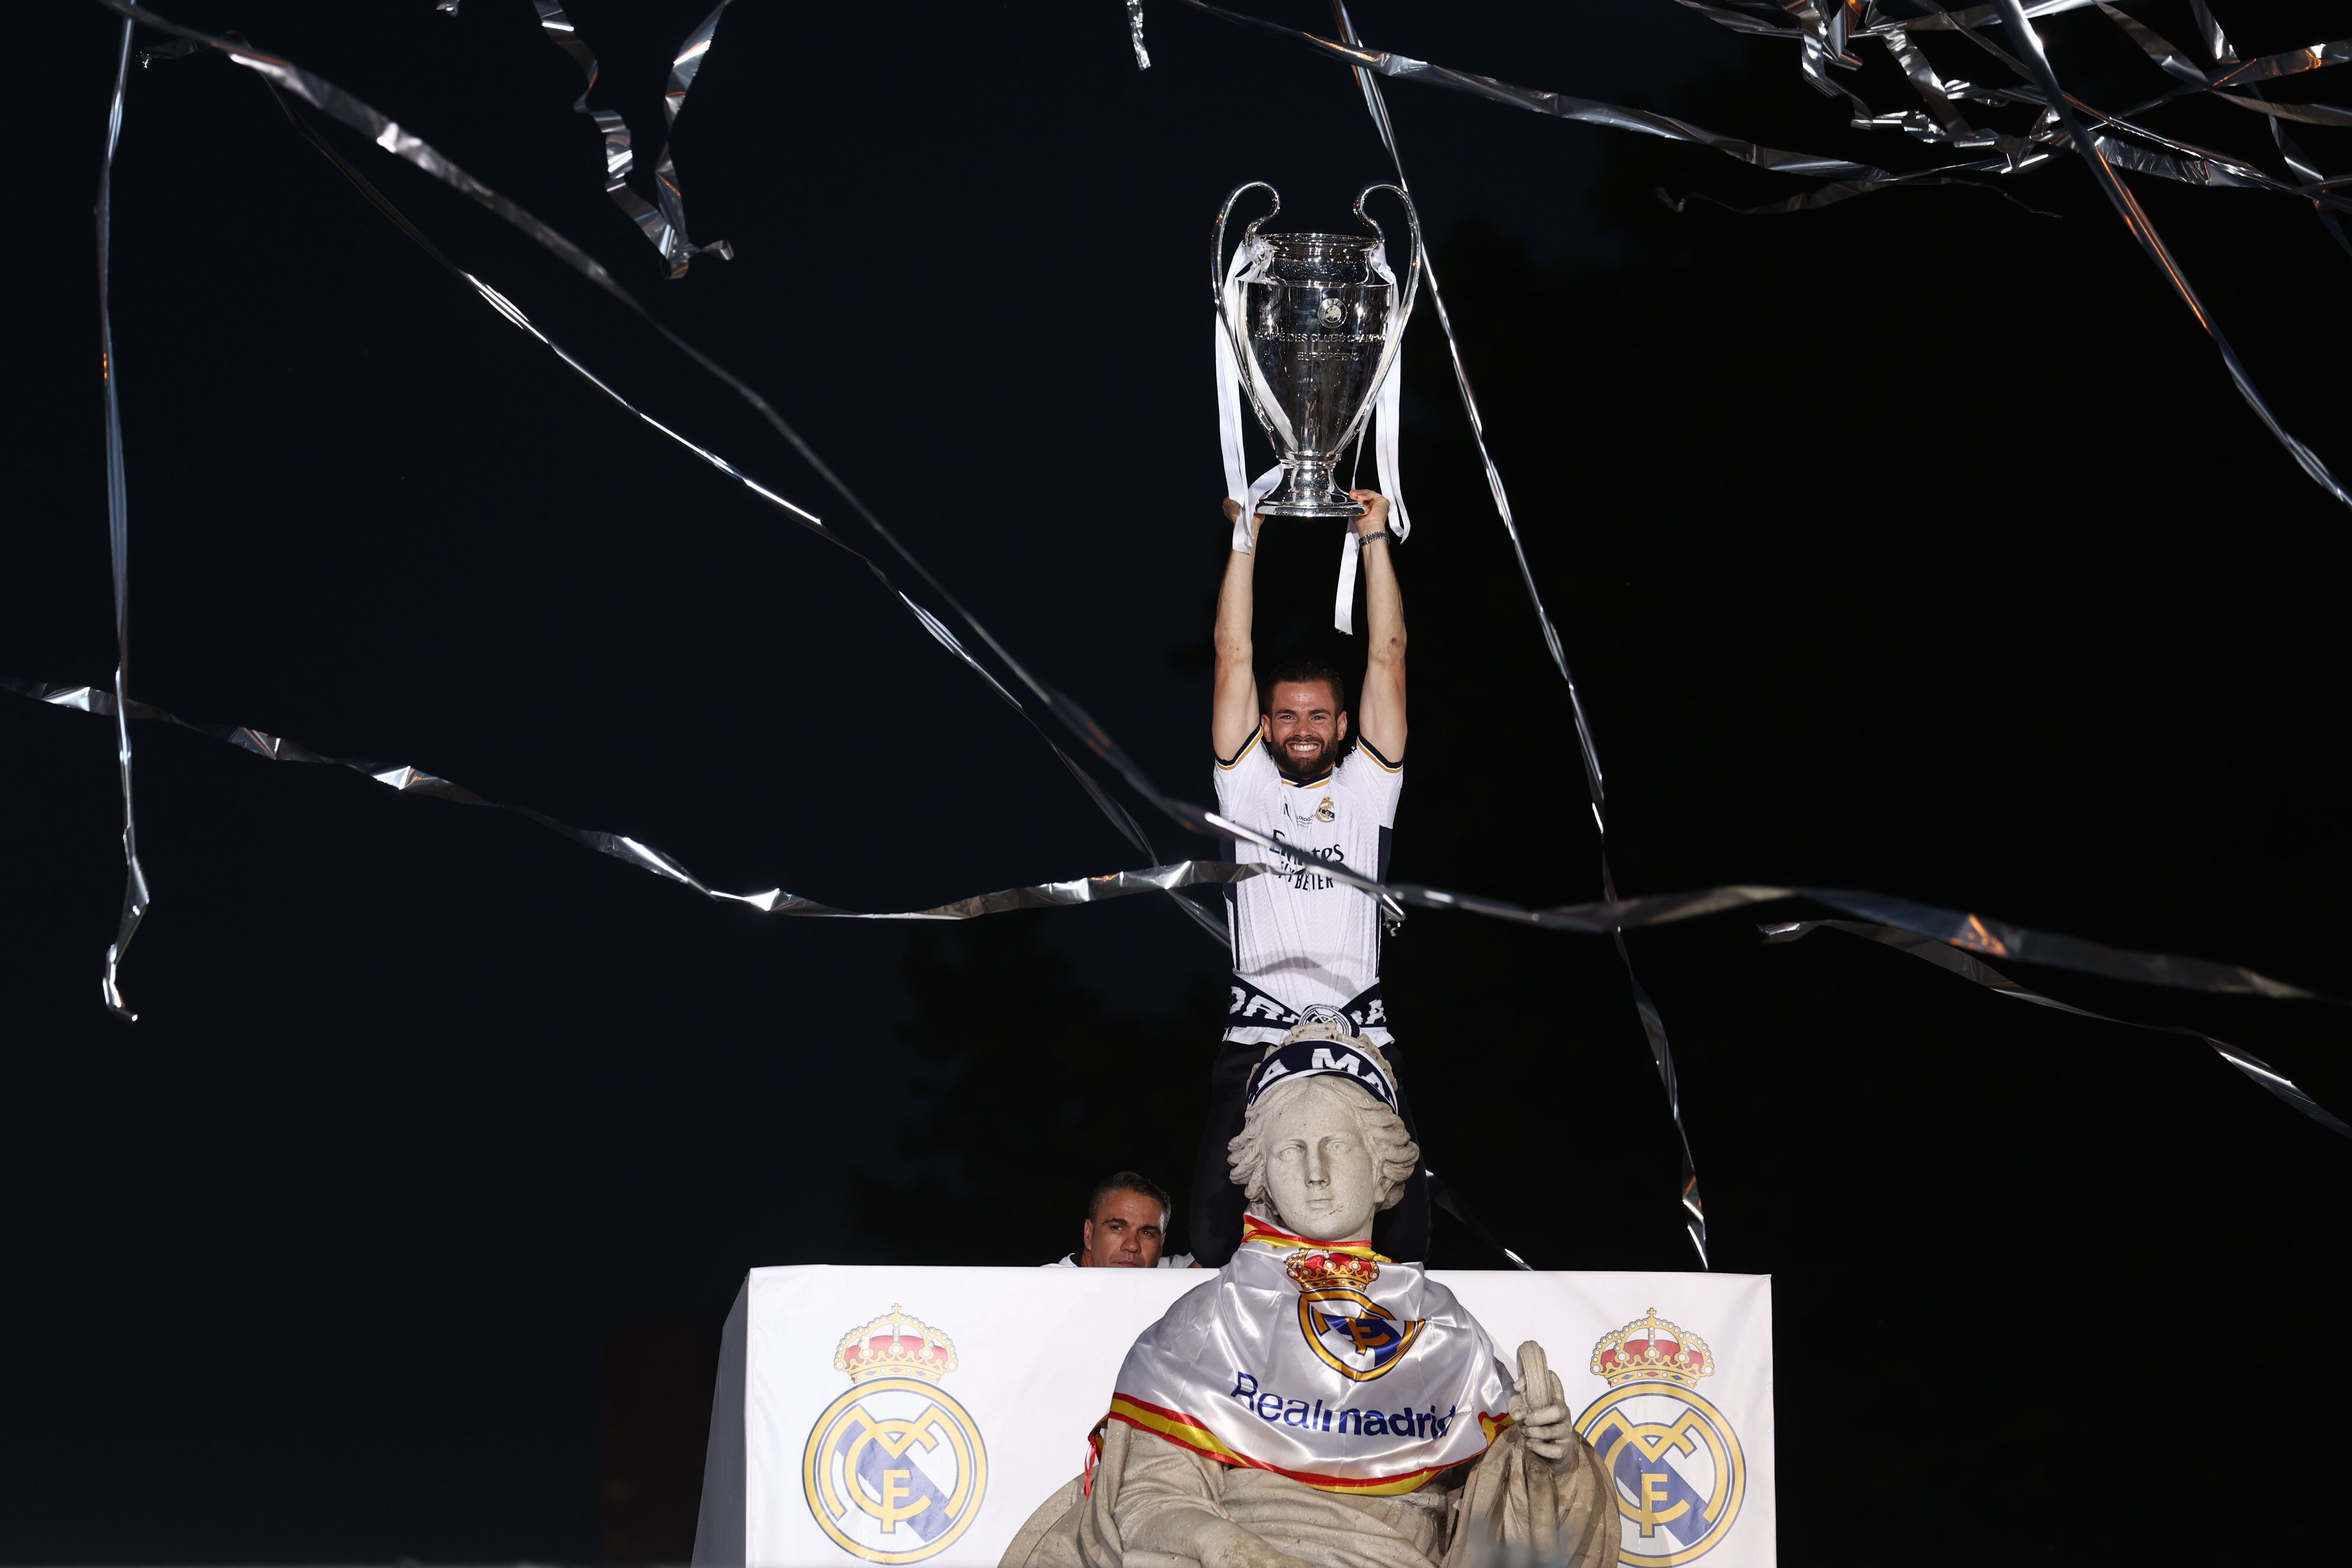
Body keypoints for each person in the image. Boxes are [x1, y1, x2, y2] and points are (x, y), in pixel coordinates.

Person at [999, 1025, 1614, 1568]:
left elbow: (1503, 1521)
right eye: (1291, 1150)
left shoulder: (1442, 1323)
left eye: (1337, 1146)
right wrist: (1233, 1550)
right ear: (1262, 1175)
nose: (1315, 1171)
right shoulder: (1209, 1315)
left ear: (1382, 1168)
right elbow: (1149, 1498)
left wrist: (1550, 1464)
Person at [1193, 489, 1427, 1266]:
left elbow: (1389, 654)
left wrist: (1375, 539)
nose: (1302, 730)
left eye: (1318, 716)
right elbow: (1232, 653)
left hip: (1360, 1027)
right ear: (1265, 726)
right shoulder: (1247, 789)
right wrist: (1246, 541)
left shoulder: (1367, 790)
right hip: (1257, 1028)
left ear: (1343, 725)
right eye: (1287, 717)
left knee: (1403, 1237)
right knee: (1214, 1234)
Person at [1044, 1171, 1197, 1269]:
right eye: (1117, 1228)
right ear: (1089, 1234)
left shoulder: (1169, 1273)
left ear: (1161, 1244)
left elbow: (1211, 1254)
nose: (1132, 1246)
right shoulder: (1046, 1289)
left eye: (1146, 1233)